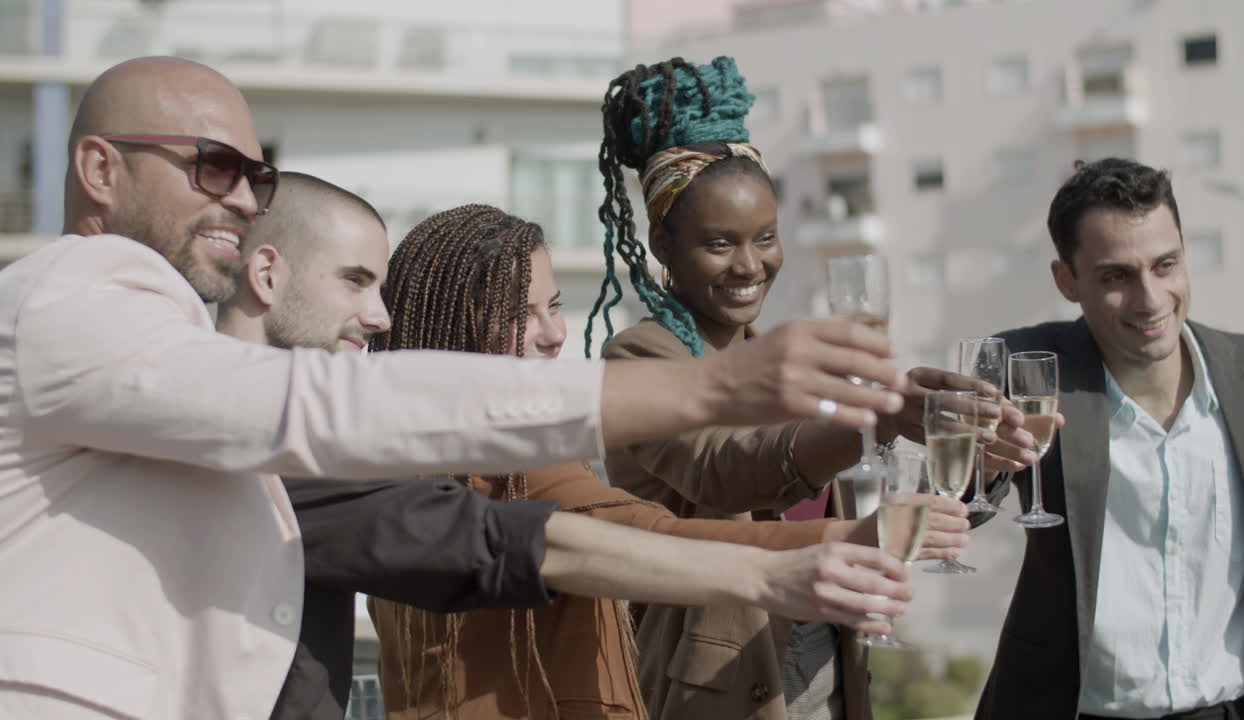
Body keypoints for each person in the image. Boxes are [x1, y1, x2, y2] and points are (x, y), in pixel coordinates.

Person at [0, 55, 913, 719]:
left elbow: (513, 543)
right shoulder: (72, 300)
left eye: (258, 173)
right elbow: (332, 419)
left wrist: (783, 569)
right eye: (213, 165)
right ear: (98, 169)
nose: (241, 196)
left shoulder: (214, 425)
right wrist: (718, 395)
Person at [214, 175, 923, 720]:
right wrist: (837, 540)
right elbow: (628, 531)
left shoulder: (374, 455)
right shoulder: (492, 469)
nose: (554, 334)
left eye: (554, 306)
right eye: (521, 315)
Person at [588, 56, 1039, 720]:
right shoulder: (640, 357)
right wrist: (876, 415)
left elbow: (873, 516)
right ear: (663, 241)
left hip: (826, 678)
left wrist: (975, 469)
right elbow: (729, 471)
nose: (750, 265)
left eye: (765, 238)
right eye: (719, 243)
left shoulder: (776, 358)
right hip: (715, 692)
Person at [975, 158, 1244, 720]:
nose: (1150, 298)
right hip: (1078, 710)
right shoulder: (1032, 370)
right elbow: (957, 501)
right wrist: (983, 463)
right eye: (1117, 276)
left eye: (1166, 265)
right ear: (1066, 281)